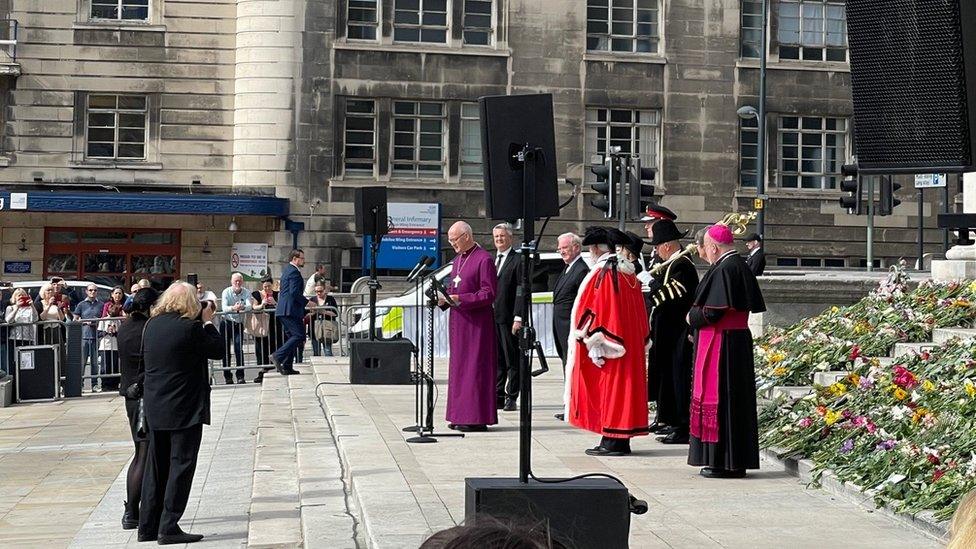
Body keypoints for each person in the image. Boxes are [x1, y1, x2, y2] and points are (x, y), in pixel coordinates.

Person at [138, 282, 223, 544]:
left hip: (155, 405)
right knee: (181, 465)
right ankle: (169, 525)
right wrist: (208, 322)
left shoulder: (151, 325)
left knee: (156, 466)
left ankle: (147, 526)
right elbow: (217, 351)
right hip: (183, 407)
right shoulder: (190, 328)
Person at [687, 224, 766, 478]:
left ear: (713, 246)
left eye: (706, 249)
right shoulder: (738, 265)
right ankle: (730, 460)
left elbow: (712, 311)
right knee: (734, 404)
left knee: (724, 403)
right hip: (735, 343)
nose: (706, 254)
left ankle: (725, 462)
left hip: (724, 346)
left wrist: (691, 318)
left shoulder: (726, 267)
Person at [565, 227, 649, 456]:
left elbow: (600, 308)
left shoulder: (606, 273)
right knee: (625, 391)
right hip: (629, 340)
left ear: (594, 249)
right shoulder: (627, 272)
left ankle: (613, 440)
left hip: (613, 341)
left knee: (613, 390)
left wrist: (594, 340)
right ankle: (619, 438)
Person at [645, 220, 699, 444]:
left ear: (666, 245)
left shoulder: (682, 265)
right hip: (666, 332)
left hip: (677, 331)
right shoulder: (670, 264)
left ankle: (682, 425)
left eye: (657, 246)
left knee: (678, 378)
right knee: (667, 377)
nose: (656, 251)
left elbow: (672, 296)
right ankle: (670, 420)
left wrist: (652, 286)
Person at [440, 221, 497, 432]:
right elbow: (454, 286)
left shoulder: (484, 260)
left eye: (454, 240)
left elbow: (488, 293)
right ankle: (459, 414)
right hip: (459, 323)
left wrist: (460, 299)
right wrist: (444, 299)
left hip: (477, 325)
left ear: (465, 236)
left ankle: (475, 417)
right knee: (459, 370)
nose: (452, 244)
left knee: (474, 370)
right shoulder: (458, 260)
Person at [117, 287, 159, 531]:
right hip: (142, 394)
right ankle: (133, 510)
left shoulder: (125, 326)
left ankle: (134, 509)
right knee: (144, 452)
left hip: (131, 394)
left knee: (140, 450)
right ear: (150, 306)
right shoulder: (146, 328)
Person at [491, 222, 525, 412]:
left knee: (512, 359)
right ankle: (498, 396)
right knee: (498, 360)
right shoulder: (492, 259)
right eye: (496, 237)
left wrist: (518, 317)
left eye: (502, 236)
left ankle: (512, 397)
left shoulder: (517, 259)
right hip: (493, 317)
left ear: (510, 238)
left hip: (509, 317)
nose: (499, 240)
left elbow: (521, 290)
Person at [272, 249, 307, 375]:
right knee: (299, 335)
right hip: (289, 310)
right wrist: (307, 302)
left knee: (292, 337)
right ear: (294, 259)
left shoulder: (287, 270)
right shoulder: (294, 272)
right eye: (302, 258)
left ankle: (287, 366)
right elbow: (294, 292)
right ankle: (277, 356)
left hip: (285, 310)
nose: (304, 260)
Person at [220, 272, 251, 384]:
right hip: (226, 322)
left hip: (238, 323)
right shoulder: (226, 292)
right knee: (226, 350)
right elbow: (224, 308)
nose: (237, 283)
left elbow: (249, 306)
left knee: (239, 349)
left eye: (239, 281)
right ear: (231, 282)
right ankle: (227, 376)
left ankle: (240, 376)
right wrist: (234, 307)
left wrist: (242, 307)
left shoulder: (246, 292)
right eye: (235, 281)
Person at [5, 288, 37, 389]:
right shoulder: (10, 308)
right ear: (14, 297)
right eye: (19, 295)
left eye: (23, 295)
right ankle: (15, 388)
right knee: (14, 363)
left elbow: (35, 319)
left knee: (27, 363)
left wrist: (32, 305)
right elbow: (9, 320)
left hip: (28, 338)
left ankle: (27, 386)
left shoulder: (30, 308)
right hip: (15, 338)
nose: (21, 297)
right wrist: (17, 308)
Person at [73, 284, 103, 391]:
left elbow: (103, 318)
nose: (92, 292)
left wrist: (97, 321)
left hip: (96, 336)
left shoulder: (101, 304)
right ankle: (79, 385)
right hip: (84, 337)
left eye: (95, 290)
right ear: (86, 291)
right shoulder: (81, 304)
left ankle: (95, 384)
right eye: (90, 290)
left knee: (95, 363)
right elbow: (75, 319)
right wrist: (85, 322)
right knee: (82, 362)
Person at [98, 290, 125, 392]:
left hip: (115, 346)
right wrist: (107, 332)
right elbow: (99, 333)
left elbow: (120, 333)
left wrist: (115, 332)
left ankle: (114, 383)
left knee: (115, 365)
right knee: (106, 366)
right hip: (105, 346)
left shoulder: (118, 320)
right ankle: (105, 384)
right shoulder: (103, 320)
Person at [250, 277, 277, 378]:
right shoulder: (257, 294)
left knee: (274, 345)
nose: (267, 288)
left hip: (274, 325)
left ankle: (274, 366)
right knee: (261, 347)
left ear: (272, 285)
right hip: (261, 325)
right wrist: (262, 304)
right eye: (265, 286)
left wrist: (274, 302)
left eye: (269, 286)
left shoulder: (276, 294)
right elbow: (254, 307)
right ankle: (263, 370)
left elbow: (280, 307)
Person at [308, 281, 338, 357]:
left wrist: (324, 312)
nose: (318, 293)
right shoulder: (312, 299)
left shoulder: (330, 299)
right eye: (316, 291)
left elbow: (335, 313)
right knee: (316, 352)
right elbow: (307, 315)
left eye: (320, 291)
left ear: (325, 290)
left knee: (328, 351)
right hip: (315, 329)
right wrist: (313, 313)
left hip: (327, 328)